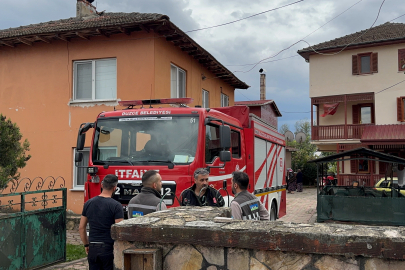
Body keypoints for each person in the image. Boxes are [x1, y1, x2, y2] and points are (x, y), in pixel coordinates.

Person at [79, 174, 124, 270]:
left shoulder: (88, 203)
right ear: (115, 188)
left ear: (102, 185)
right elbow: (119, 230)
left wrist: (86, 244)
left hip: (93, 247)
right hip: (108, 248)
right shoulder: (116, 206)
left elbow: (81, 227)